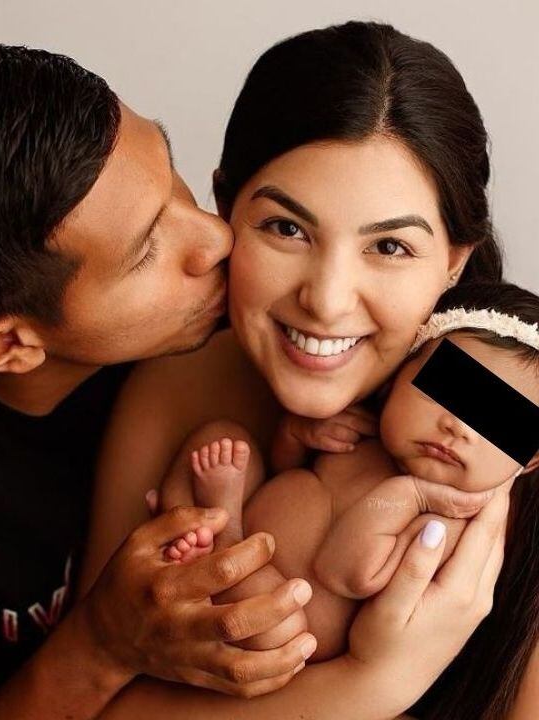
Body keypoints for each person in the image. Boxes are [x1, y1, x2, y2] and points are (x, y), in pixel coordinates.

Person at [82, 22, 519, 719]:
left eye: (390, 246)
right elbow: (95, 690)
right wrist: (367, 684)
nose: (327, 299)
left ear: (455, 261)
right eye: (286, 229)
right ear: (225, 211)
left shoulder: (506, 423)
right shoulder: (190, 377)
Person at [0, 45, 317, 719]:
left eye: (172, 176)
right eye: (147, 251)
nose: (217, 236)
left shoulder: (244, 336)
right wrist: (101, 647)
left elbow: (501, 375)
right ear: (9, 346)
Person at [156, 282, 539, 661]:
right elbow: (286, 476)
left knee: (279, 624)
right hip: (252, 528)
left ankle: (221, 535)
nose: (460, 426)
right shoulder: (363, 433)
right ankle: (182, 531)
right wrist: (296, 436)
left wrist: (411, 495)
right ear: (396, 378)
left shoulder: (448, 523)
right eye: (448, 390)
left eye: (499, 421)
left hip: (280, 617)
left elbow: (343, 571)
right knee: (223, 441)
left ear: (530, 460)